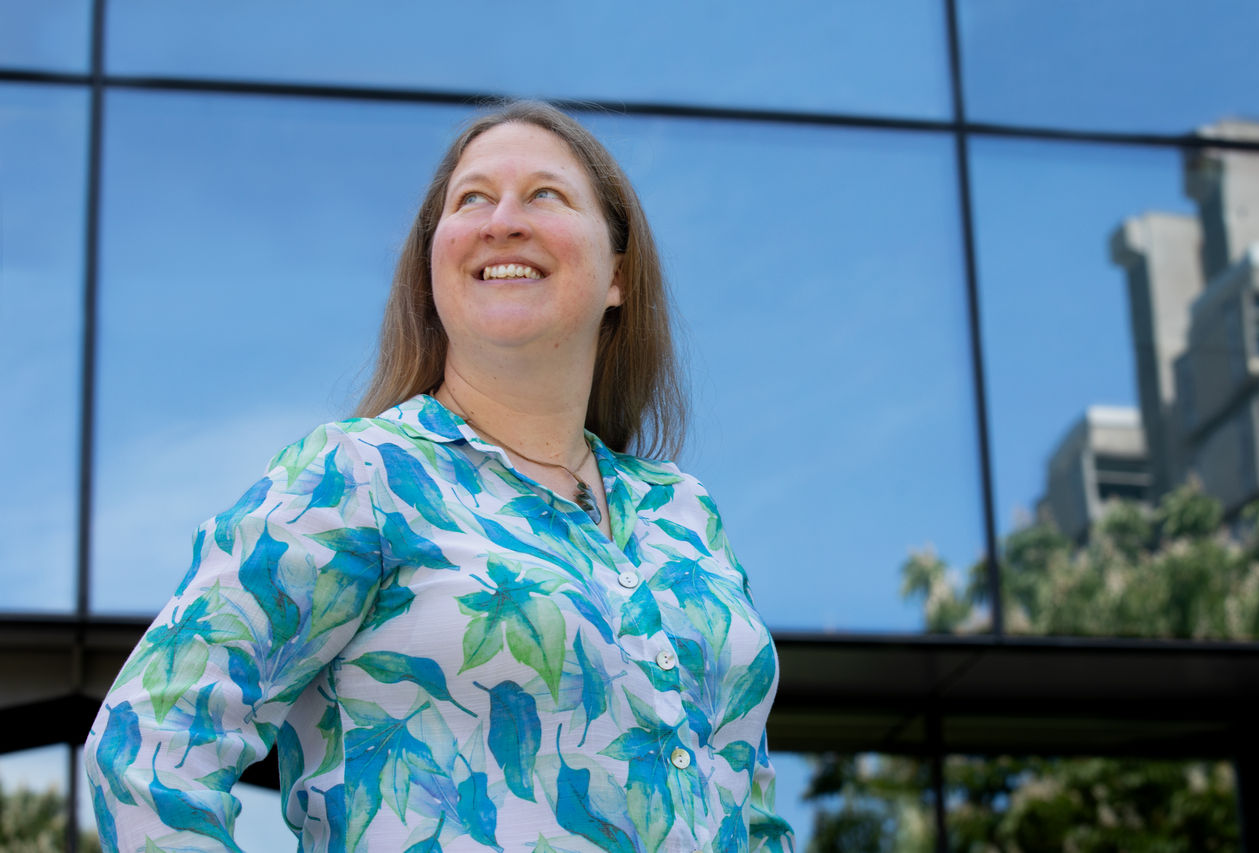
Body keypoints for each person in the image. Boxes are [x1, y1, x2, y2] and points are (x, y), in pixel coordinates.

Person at [84, 100, 795, 852]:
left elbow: (753, 812)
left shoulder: (685, 514)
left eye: (544, 195)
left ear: (619, 274)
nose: (502, 221)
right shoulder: (357, 474)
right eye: (472, 200)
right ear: (433, 269)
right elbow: (145, 752)